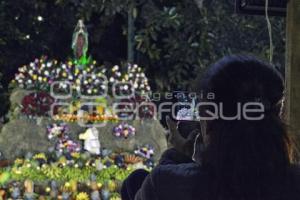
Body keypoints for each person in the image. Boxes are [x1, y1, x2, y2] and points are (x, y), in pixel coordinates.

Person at [121, 55, 300, 200]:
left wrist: (176, 156)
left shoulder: (166, 185)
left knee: (135, 181)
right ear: (279, 115)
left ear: (208, 120)